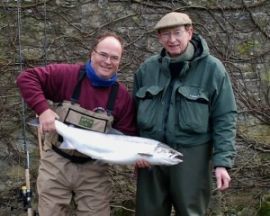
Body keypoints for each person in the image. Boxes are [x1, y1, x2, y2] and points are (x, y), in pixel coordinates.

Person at [16, 32, 136, 216]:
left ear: (119, 61)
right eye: (103, 54)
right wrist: (43, 110)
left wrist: (135, 156)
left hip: (94, 170)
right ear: (92, 53)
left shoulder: (122, 97)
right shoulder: (67, 75)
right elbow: (26, 78)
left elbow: (128, 135)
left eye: (114, 58)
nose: (107, 61)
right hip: (56, 162)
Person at [133, 12, 237, 216]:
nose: (172, 40)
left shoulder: (213, 69)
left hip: (192, 159)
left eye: (177, 33)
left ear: (190, 32)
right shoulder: (146, 69)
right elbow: (132, 114)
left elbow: (225, 117)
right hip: (151, 159)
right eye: (166, 34)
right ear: (159, 38)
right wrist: (136, 153)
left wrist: (222, 163)